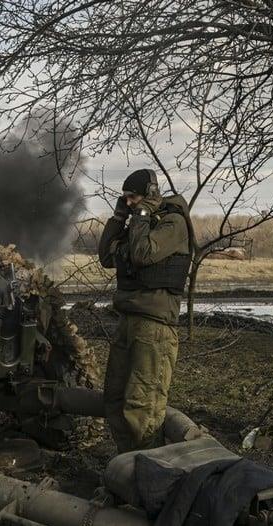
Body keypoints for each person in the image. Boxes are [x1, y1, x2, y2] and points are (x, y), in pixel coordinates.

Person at [97, 169, 194, 453]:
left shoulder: (172, 223)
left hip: (155, 327)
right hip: (129, 320)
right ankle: (126, 469)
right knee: (115, 399)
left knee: (143, 407)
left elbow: (143, 254)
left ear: (151, 195)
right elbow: (106, 257)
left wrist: (139, 216)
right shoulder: (139, 224)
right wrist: (118, 220)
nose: (129, 204)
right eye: (125, 199)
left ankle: (147, 477)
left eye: (133, 197)